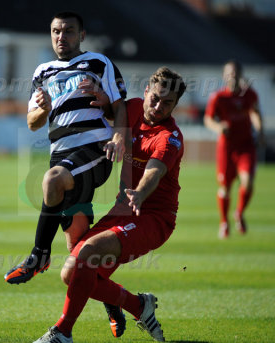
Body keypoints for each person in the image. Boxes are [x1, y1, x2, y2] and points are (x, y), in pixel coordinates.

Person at [32, 67, 186, 343]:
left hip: (153, 218)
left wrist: (139, 192)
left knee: (87, 252)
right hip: (123, 210)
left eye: (168, 103)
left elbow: (154, 171)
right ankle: (139, 306)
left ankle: (62, 333)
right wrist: (102, 98)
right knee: (71, 273)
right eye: (157, 98)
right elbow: (112, 112)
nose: (159, 106)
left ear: (176, 105)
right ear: (147, 92)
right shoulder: (135, 108)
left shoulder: (170, 137)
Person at [4, 11, 128, 338]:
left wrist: (118, 136)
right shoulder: (42, 72)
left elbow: (120, 105)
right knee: (79, 261)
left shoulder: (98, 62)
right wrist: (41, 109)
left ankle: (37, 256)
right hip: (60, 157)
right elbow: (33, 121)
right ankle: (119, 304)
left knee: (51, 181)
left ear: (82, 35)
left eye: (68, 31)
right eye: (56, 31)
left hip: (93, 152)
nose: (61, 37)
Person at [204, 60, 264, 239]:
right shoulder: (218, 97)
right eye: (229, 73)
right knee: (225, 186)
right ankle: (224, 222)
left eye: (236, 72)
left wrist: (259, 131)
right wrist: (218, 127)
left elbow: (255, 112)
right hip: (227, 147)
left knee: (248, 182)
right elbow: (208, 119)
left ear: (240, 74)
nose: (233, 76)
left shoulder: (250, 95)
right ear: (224, 76)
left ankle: (239, 213)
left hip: (245, 145)